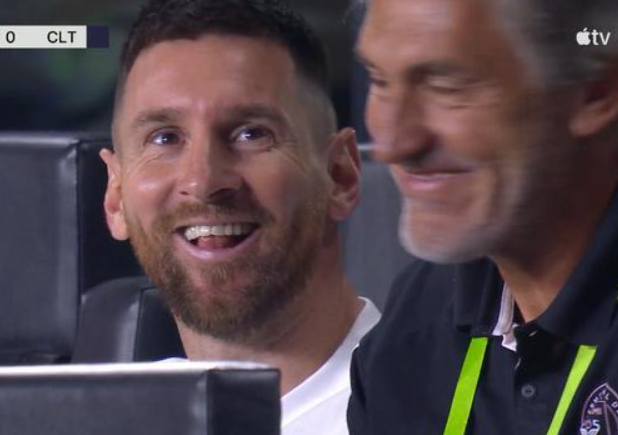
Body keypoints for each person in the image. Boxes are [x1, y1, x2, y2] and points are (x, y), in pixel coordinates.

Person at [99, 1, 380, 434]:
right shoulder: (102, 417)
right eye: (165, 138)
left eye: (251, 134)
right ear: (116, 198)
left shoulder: (430, 406)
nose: (203, 180)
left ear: (339, 176)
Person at [347, 0, 618, 433]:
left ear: (596, 91)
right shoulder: (413, 322)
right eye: (379, 80)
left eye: (446, 86)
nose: (393, 144)